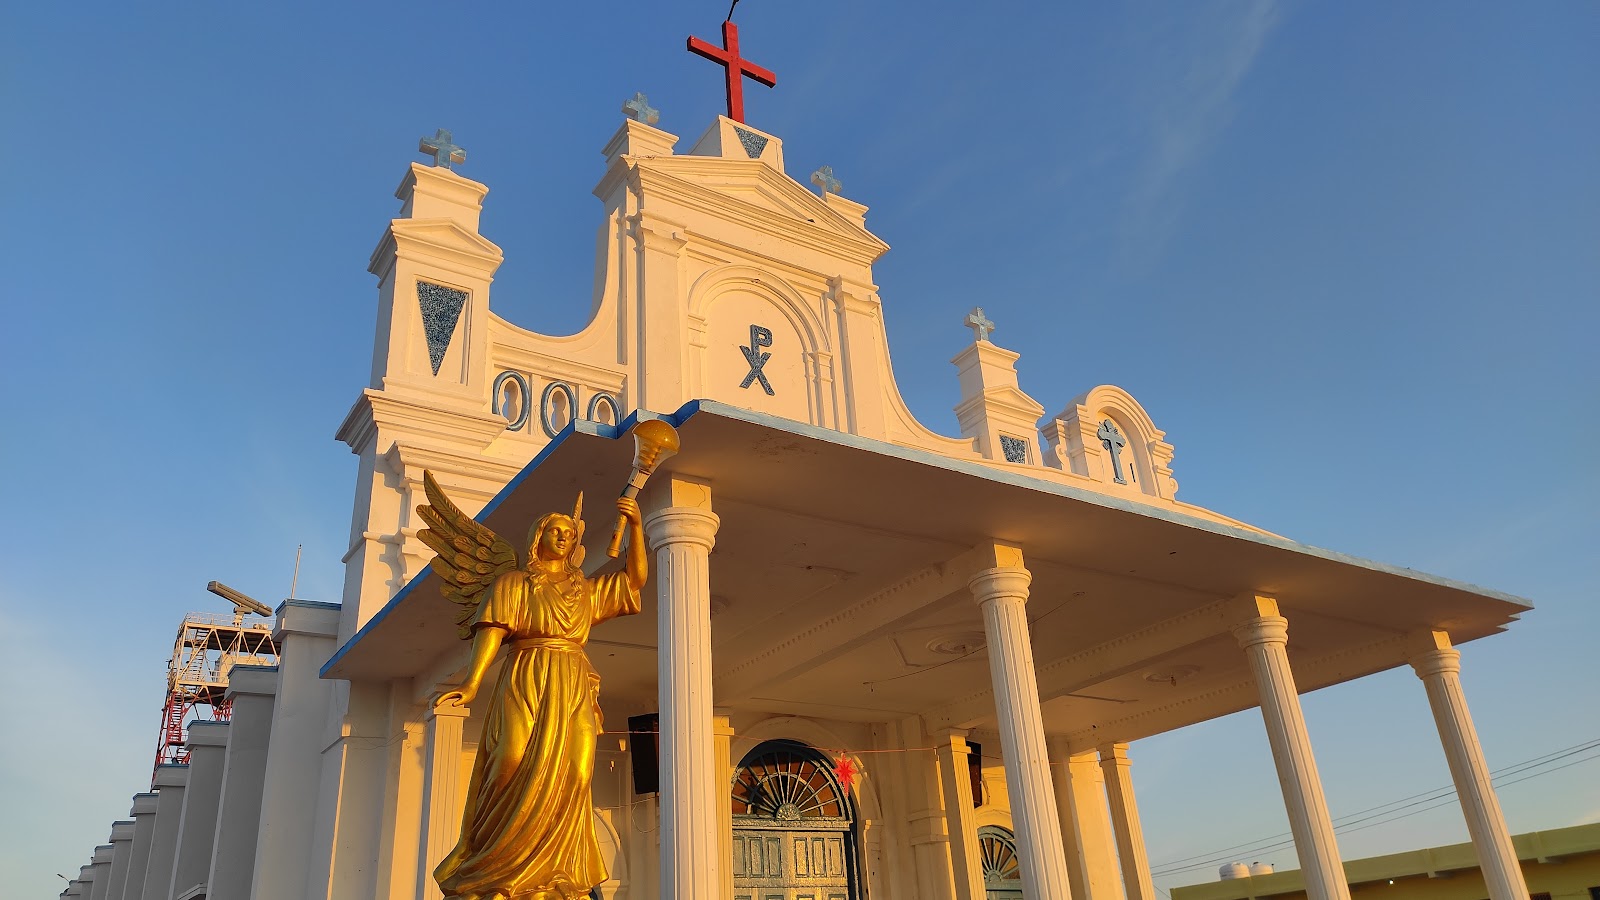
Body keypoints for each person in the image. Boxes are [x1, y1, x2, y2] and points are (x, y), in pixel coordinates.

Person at [431, 496, 647, 900]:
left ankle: (556, 874)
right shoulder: (512, 583)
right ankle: (491, 866)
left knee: (577, 775)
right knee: (509, 760)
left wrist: (636, 529)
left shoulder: (583, 590)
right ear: (538, 538)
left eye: (570, 532)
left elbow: (633, 581)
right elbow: (491, 630)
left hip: (572, 681)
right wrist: (473, 681)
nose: (564, 537)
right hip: (526, 674)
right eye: (555, 530)